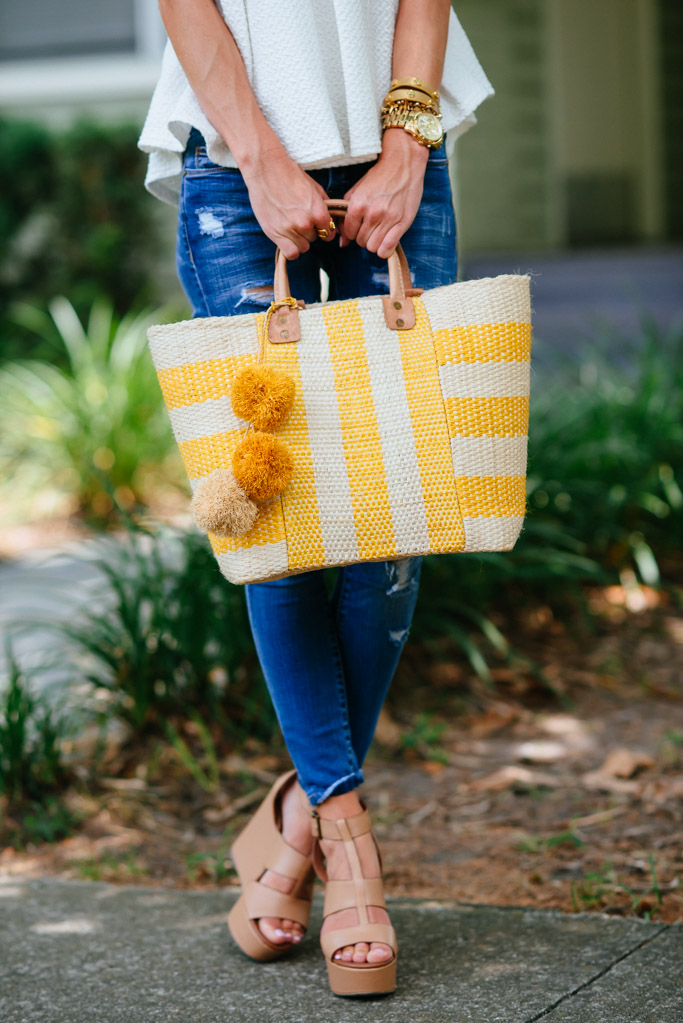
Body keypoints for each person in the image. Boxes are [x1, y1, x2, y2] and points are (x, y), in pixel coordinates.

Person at [139, 0, 493, 998]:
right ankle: (344, 839)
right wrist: (259, 159)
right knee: (277, 511)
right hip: (237, 159)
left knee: (398, 506)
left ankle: (291, 829)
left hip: (399, 153)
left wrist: (405, 145)